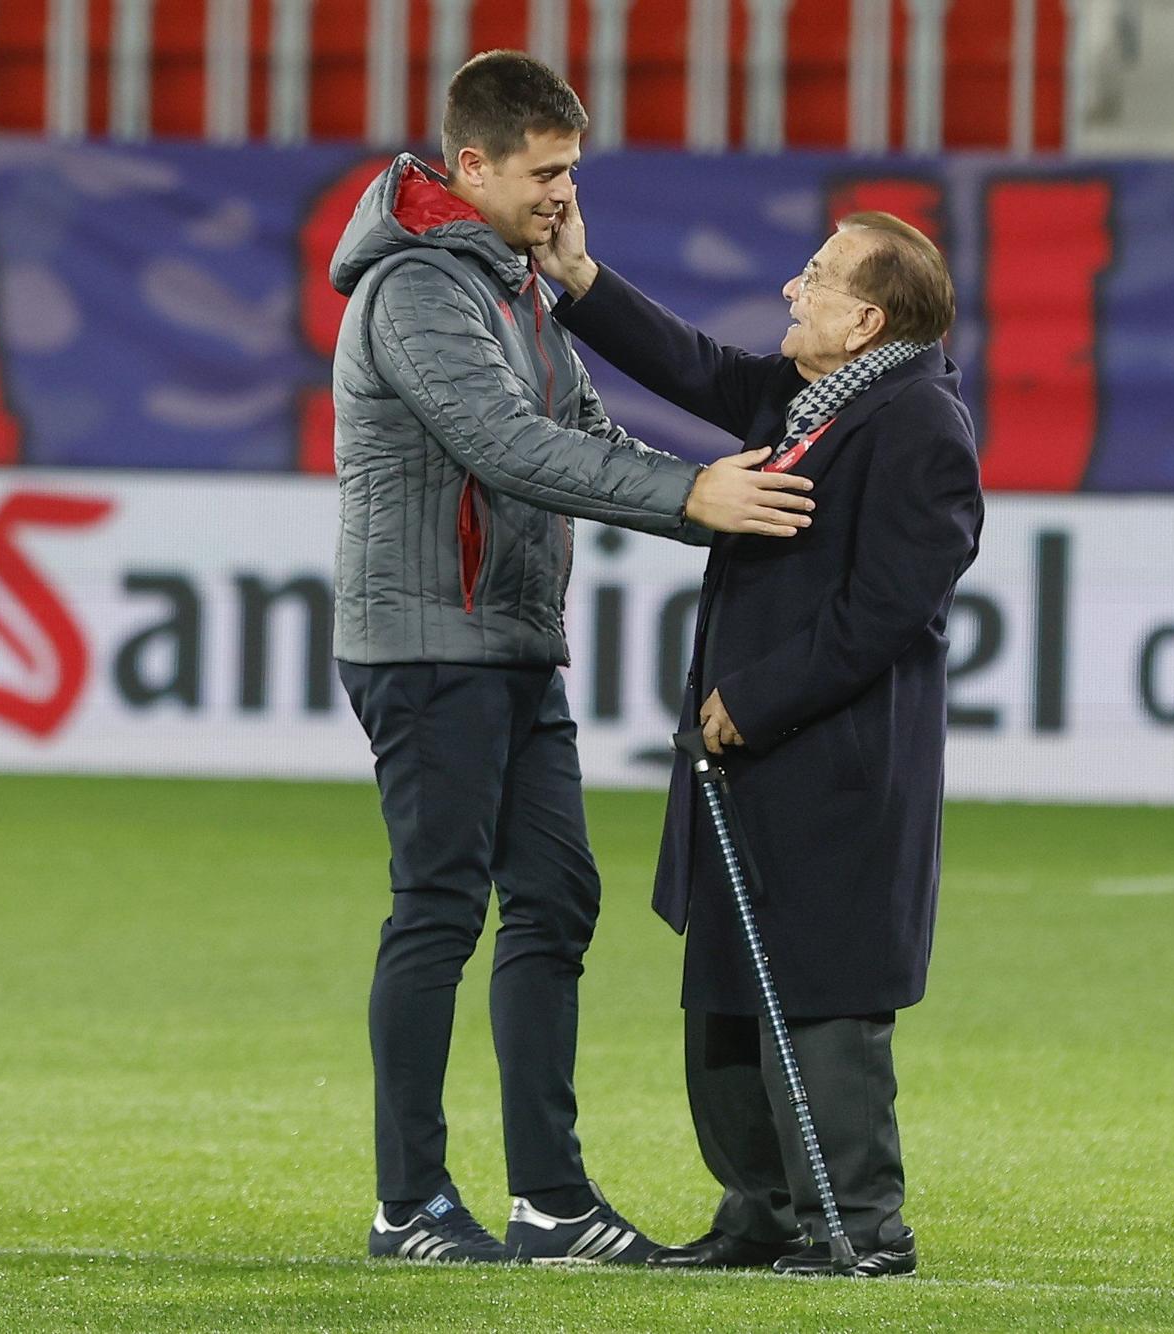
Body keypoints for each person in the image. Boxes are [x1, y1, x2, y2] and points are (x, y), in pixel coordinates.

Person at [328, 49, 817, 1265]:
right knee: (437, 906)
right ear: (473, 164)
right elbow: (503, 444)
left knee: (554, 898)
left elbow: (580, 428)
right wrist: (685, 496)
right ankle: (410, 1204)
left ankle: (549, 1199)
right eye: (544, 172)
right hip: (428, 640)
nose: (562, 193)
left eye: (572, 172)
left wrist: (719, 480)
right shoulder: (418, 292)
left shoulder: (514, 283)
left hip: (508, 640)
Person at [536, 204, 981, 1277]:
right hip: (752, 757)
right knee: (730, 980)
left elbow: (892, 604)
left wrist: (759, 694)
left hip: (832, 760)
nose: (793, 288)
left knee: (823, 988)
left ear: (866, 319)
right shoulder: (810, 398)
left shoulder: (918, 422)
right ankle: (759, 1212)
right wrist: (578, 275)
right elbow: (694, 367)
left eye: (816, 277)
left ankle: (859, 1227)